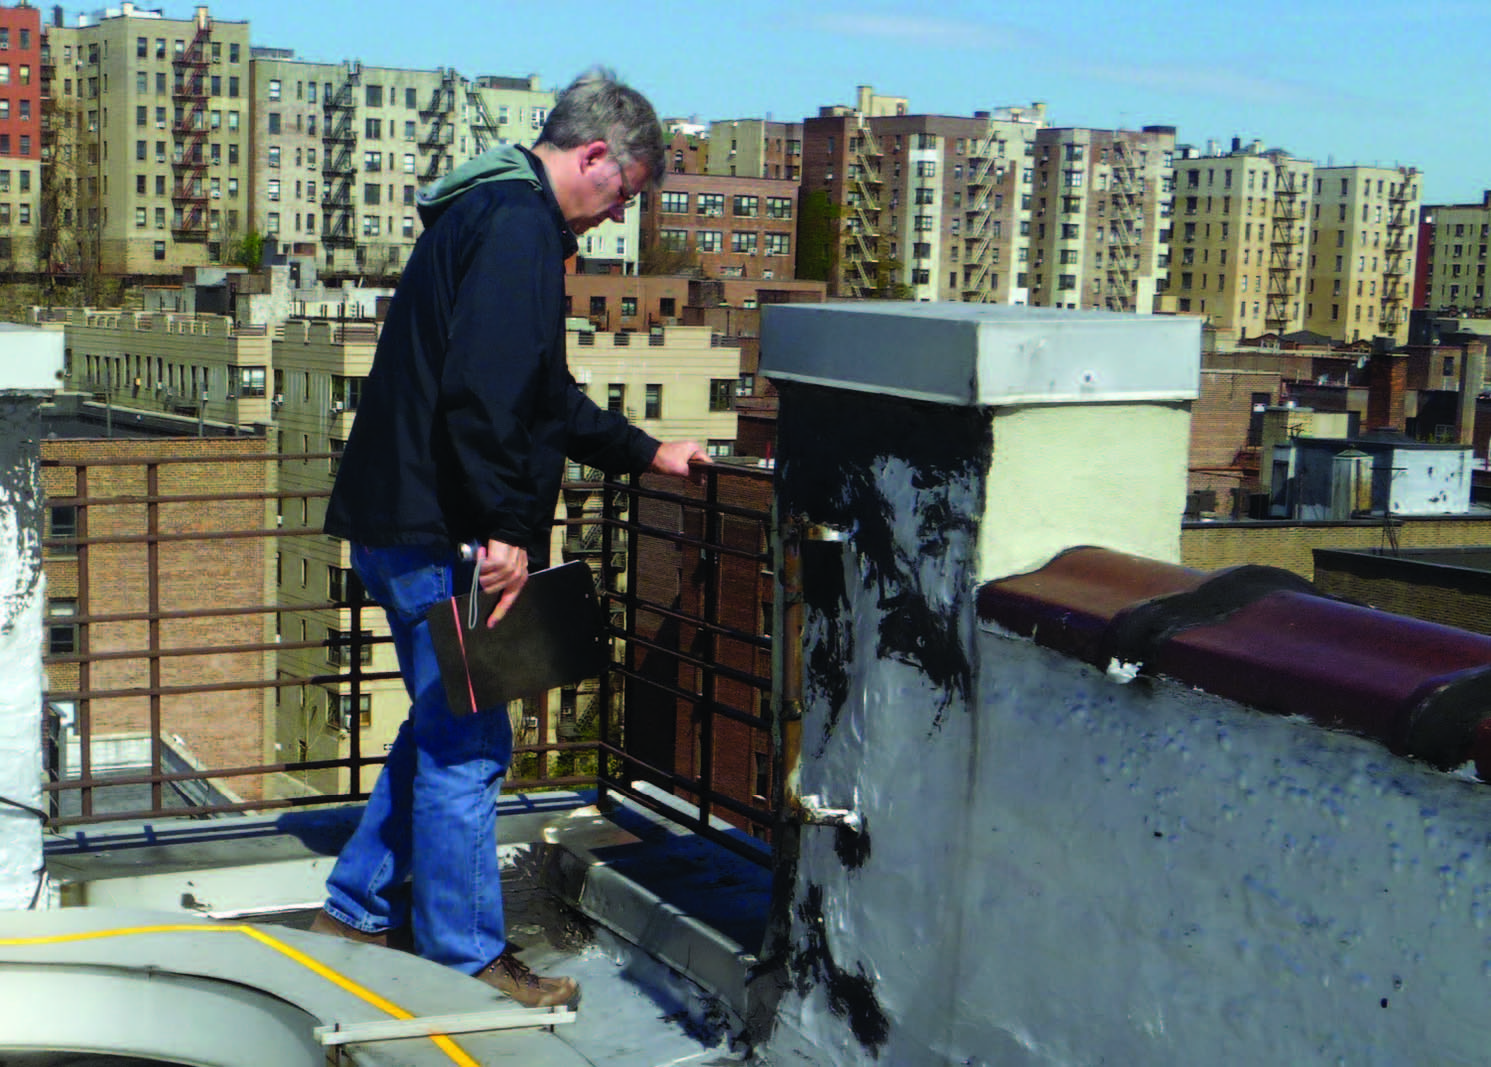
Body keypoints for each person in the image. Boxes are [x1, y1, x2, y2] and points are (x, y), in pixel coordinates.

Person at [312, 67, 708, 1006]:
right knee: (470, 746)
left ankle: (358, 902)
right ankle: (466, 959)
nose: (617, 217)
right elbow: (485, 395)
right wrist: (501, 527)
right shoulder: (518, 225)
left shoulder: (492, 212)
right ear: (595, 155)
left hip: (407, 518)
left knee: (442, 726)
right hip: (439, 529)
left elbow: (539, 396)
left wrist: (648, 452)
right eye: (624, 193)